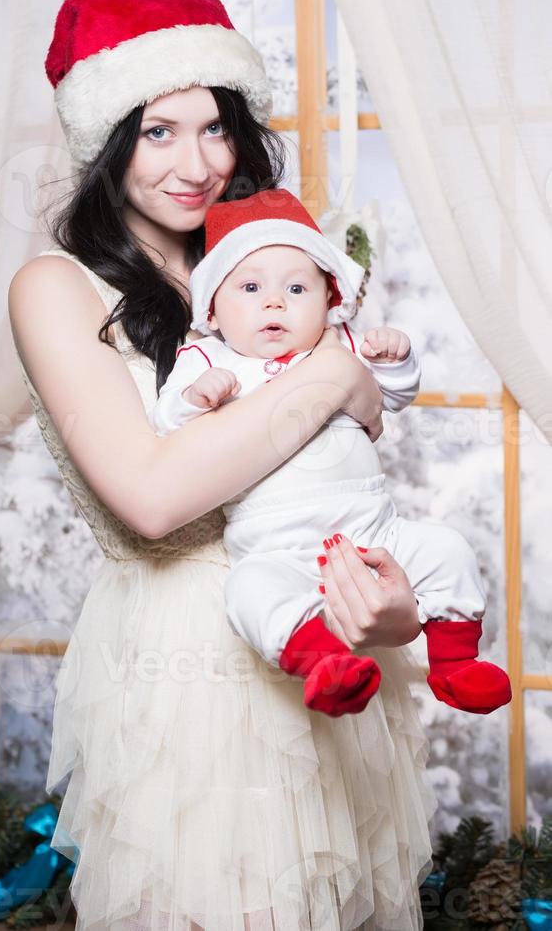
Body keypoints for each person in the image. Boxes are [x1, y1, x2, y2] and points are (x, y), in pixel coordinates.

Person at [8, 0, 438, 931]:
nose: (197, 162)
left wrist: (397, 602)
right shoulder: (57, 287)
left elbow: (347, 463)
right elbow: (155, 498)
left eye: (217, 127)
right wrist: (327, 376)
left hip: (315, 622)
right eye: (158, 131)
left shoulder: (270, 263)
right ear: (108, 139)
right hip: (181, 668)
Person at [150, 188, 513, 719]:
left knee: (446, 549)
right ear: (213, 307)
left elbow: (389, 399)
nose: (274, 302)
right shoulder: (206, 355)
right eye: (250, 287)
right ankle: (325, 664)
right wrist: (195, 396)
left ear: (328, 300)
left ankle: (455, 661)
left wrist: (394, 361)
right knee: (250, 593)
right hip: (278, 548)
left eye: (296, 288)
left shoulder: (336, 342)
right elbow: (166, 423)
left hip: (374, 536)